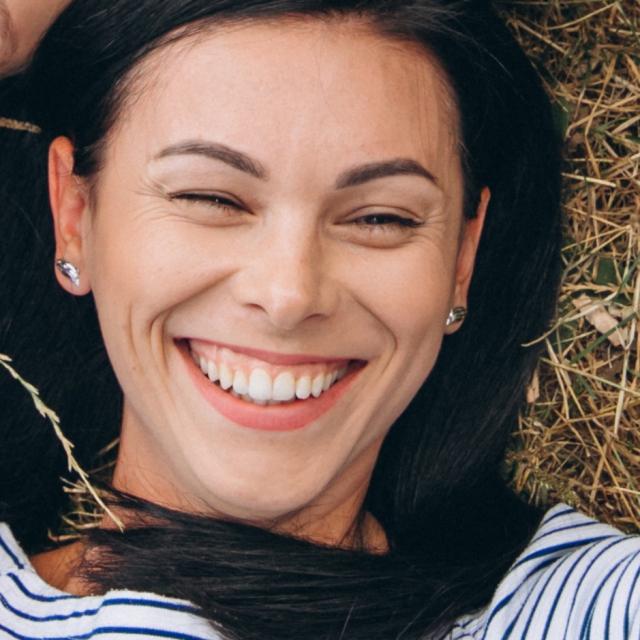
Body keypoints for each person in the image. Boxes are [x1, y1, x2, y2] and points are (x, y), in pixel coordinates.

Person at [1, 0, 638, 638]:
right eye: (210, 197)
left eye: (380, 218)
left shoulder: (587, 607)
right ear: (75, 217)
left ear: (462, 258)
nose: (289, 294)